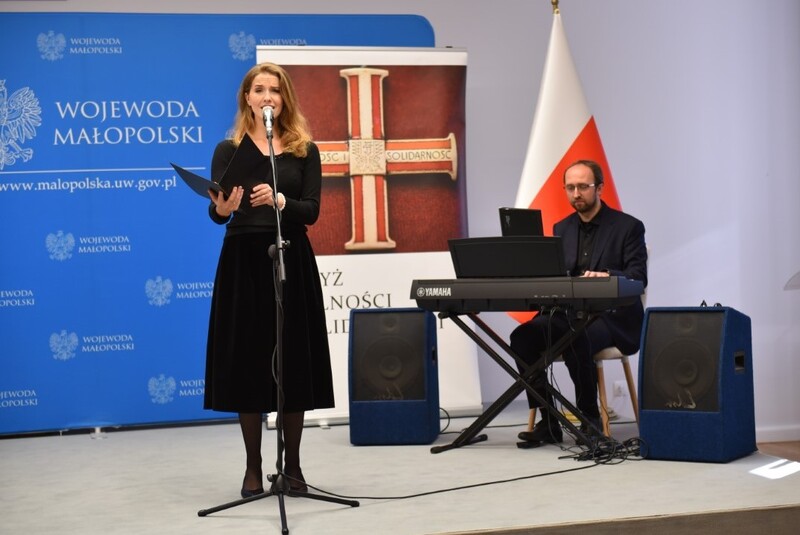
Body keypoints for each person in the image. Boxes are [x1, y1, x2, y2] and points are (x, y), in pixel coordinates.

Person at [203, 62, 335, 497]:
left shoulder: (303, 151)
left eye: (275, 91)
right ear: (247, 98)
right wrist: (223, 209)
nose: (266, 97)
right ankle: (253, 468)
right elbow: (217, 212)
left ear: (285, 99)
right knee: (247, 361)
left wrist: (280, 199)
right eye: (259, 89)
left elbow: (311, 210)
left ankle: (293, 467)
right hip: (243, 260)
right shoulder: (230, 149)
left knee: (293, 359)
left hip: (290, 259)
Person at [512, 159, 647, 446]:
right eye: (570, 187)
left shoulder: (629, 227)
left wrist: (607, 275)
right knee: (522, 337)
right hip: (568, 313)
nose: (577, 193)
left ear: (599, 187)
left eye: (583, 187)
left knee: (575, 335)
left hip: (611, 317)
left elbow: (638, 277)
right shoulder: (561, 228)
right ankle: (550, 422)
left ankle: (589, 419)